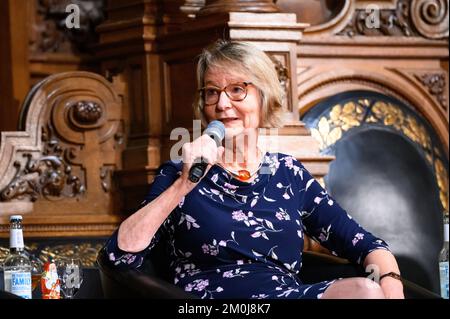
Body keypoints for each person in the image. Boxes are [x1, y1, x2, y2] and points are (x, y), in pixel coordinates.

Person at [103, 40, 404, 299]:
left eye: (236, 89)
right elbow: (119, 256)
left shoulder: (289, 174)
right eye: (211, 92)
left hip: (287, 295)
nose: (221, 103)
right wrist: (184, 184)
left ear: (264, 98)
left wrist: (391, 282)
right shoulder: (178, 172)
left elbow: (366, 244)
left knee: (366, 291)